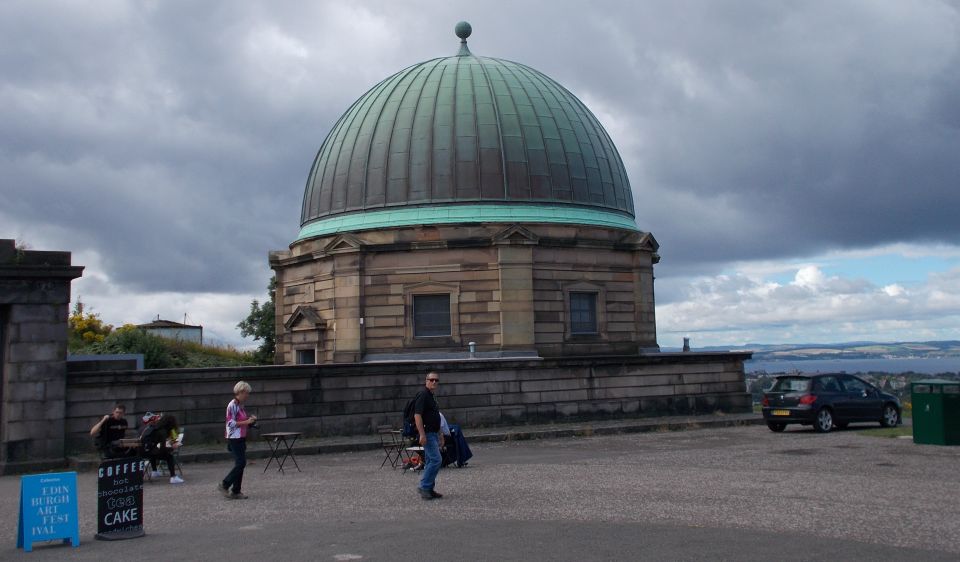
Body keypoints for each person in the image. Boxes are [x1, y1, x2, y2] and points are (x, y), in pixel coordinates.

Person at [218, 381, 257, 500]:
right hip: (234, 437)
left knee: (240, 464)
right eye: (246, 393)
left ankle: (236, 490)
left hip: (240, 436)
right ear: (240, 392)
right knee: (241, 463)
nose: (247, 395)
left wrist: (250, 421)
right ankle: (225, 484)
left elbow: (241, 421)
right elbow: (230, 423)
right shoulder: (233, 405)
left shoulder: (240, 405)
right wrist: (246, 422)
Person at [414, 371, 444, 500]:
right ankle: (424, 486)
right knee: (437, 460)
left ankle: (430, 489)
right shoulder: (423, 395)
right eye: (431, 380)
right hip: (427, 433)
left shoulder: (431, 396)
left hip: (433, 433)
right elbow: (417, 415)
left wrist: (441, 434)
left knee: (431, 461)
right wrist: (421, 434)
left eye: (436, 380)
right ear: (426, 381)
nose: (434, 382)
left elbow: (436, 417)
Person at [140, 413, 183, 484]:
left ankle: (154, 471)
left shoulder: (154, 428)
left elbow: (157, 445)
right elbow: (162, 448)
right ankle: (173, 477)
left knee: (154, 450)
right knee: (169, 457)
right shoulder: (163, 432)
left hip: (142, 452)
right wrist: (171, 448)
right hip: (149, 453)